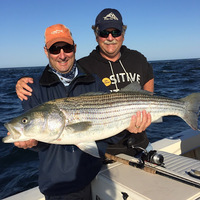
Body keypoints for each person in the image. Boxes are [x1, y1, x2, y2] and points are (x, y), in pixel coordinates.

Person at [16, 8, 153, 156]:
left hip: (141, 144)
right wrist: (23, 82)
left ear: (123, 35)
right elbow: (60, 72)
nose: (110, 37)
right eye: (103, 33)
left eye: (115, 32)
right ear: (96, 36)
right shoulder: (85, 67)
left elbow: (148, 93)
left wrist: (144, 115)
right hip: (107, 154)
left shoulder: (138, 59)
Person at [12, 24, 125, 200]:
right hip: (61, 185)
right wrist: (31, 142)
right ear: (46, 51)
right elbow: (41, 142)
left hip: (96, 173)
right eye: (55, 49)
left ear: (75, 48)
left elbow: (112, 136)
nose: (62, 55)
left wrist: (130, 124)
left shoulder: (94, 82)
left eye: (67, 48)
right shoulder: (32, 89)